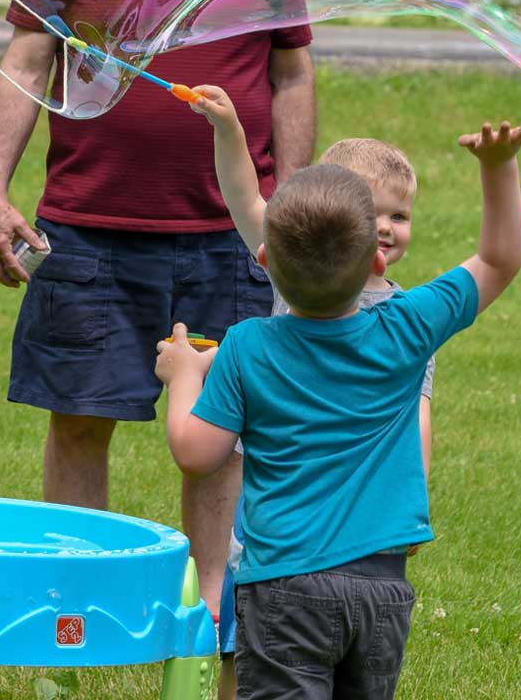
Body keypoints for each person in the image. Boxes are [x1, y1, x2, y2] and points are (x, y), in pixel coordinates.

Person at [0, 0, 316, 618]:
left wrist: (290, 208)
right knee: (80, 417)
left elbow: (290, 73)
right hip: (87, 225)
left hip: (229, 233)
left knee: (221, 434)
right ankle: (73, 611)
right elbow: (26, 59)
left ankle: (208, 618)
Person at [156, 114, 521, 700]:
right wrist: (498, 168)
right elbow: (499, 259)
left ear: (264, 258)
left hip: (282, 585)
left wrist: (185, 376)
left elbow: (195, 453)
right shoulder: (411, 326)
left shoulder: (247, 345)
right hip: (380, 582)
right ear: (377, 262)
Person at [188, 84, 437, 697]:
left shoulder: (409, 321)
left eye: (399, 216)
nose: (384, 228)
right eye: (370, 212)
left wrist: (407, 514)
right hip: (280, 505)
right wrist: (230, 134)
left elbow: (418, 422)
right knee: (248, 633)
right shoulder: (298, 264)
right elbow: (246, 198)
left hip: (358, 527)